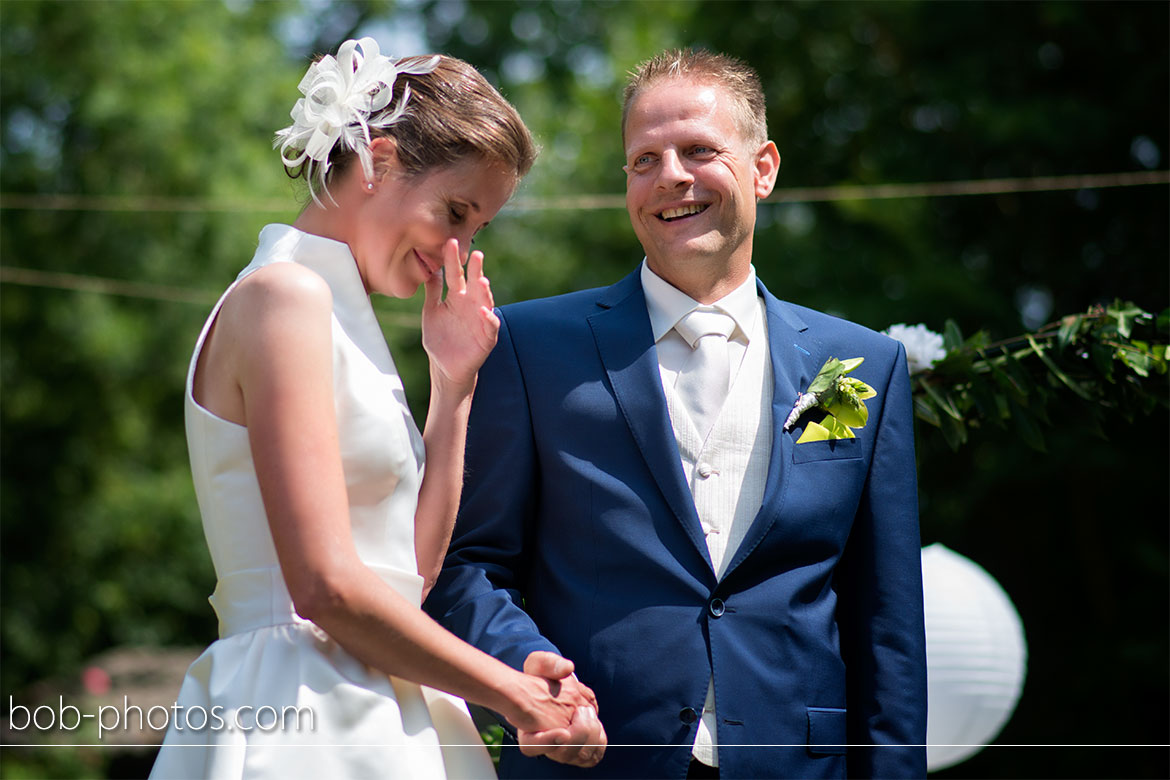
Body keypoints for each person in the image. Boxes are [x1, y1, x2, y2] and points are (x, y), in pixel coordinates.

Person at [424, 48, 927, 778]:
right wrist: (521, 667)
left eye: (698, 150)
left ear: (764, 168)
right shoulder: (530, 348)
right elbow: (469, 563)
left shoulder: (853, 369)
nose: (671, 178)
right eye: (644, 160)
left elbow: (887, 623)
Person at [150, 39, 602, 779]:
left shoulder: (336, 318)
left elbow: (407, 580)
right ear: (379, 159)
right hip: (301, 713)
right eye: (455, 210)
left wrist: (453, 387)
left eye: (478, 229)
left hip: (377, 705)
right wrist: (517, 695)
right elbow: (326, 587)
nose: (457, 249)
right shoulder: (283, 297)